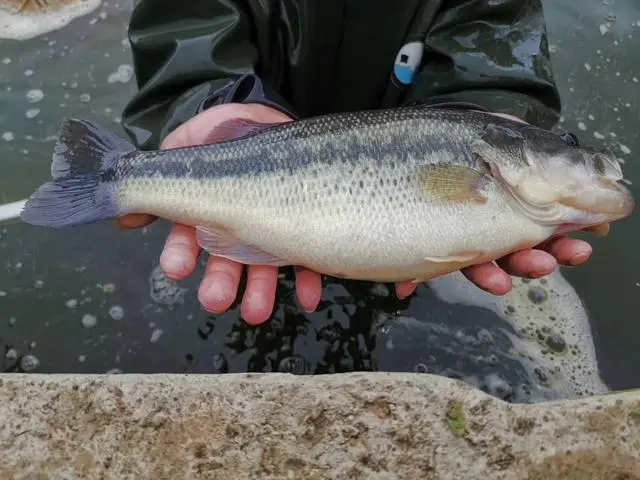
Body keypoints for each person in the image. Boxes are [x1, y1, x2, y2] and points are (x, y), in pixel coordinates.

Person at [117, 0, 608, 326]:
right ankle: (118, 181)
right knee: (266, 306)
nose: (597, 169)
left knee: (368, 305)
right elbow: (184, 20)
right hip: (273, 149)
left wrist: (486, 100)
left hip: (377, 191)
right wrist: (209, 98)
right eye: (580, 158)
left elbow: (495, 33)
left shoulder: (495, 167)